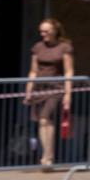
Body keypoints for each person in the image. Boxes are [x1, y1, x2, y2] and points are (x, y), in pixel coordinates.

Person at [24, 17, 74, 170]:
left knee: (46, 118)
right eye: (41, 31)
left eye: (46, 31)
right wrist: (28, 90)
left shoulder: (64, 47)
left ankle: (48, 157)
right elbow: (33, 70)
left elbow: (69, 70)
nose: (43, 34)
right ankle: (46, 156)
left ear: (54, 31)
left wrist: (68, 93)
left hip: (56, 88)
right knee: (41, 121)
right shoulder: (37, 47)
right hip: (39, 88)